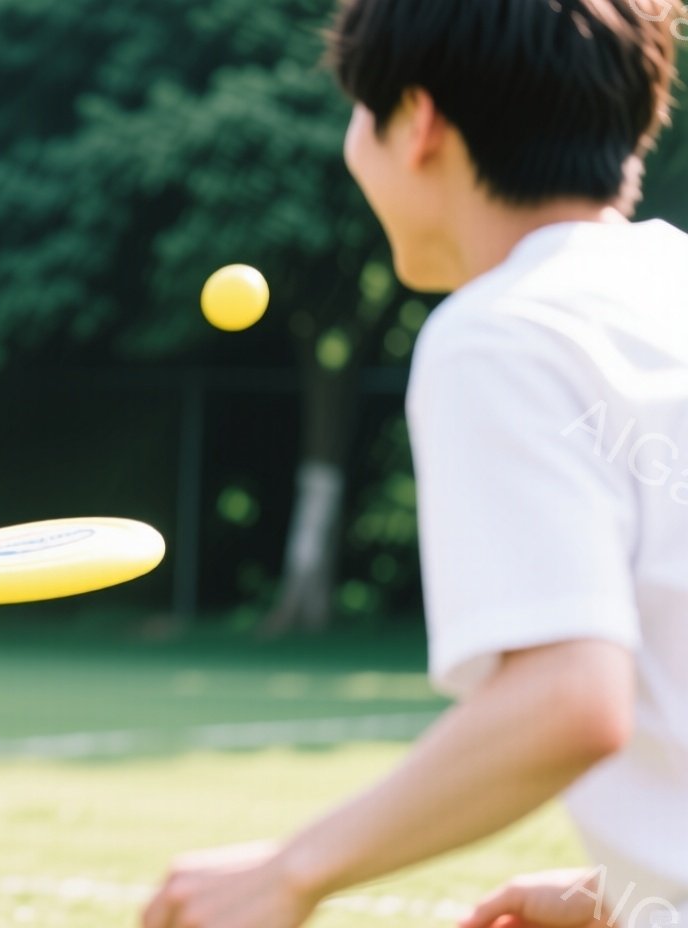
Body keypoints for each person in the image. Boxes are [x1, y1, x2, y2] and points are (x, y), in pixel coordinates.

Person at [141, 2, 688, 927]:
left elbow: (570, 697)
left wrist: (289, 873)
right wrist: (622, 892)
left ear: (419, 122)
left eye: (361, 111)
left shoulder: (504, 333)